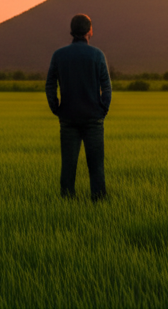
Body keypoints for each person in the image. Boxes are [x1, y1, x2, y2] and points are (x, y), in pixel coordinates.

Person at [45, 13, 112, 200]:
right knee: (96, 165)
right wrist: (102, 109)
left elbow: (50, 84)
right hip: (93, 119)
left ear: (72, 31)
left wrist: (56, 108)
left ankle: (67, 201)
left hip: (68, 118)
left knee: (68, 164)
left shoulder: (59, 55)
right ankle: (98, 202)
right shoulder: (97, 55)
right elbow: (106, 86)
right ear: (89, 31)